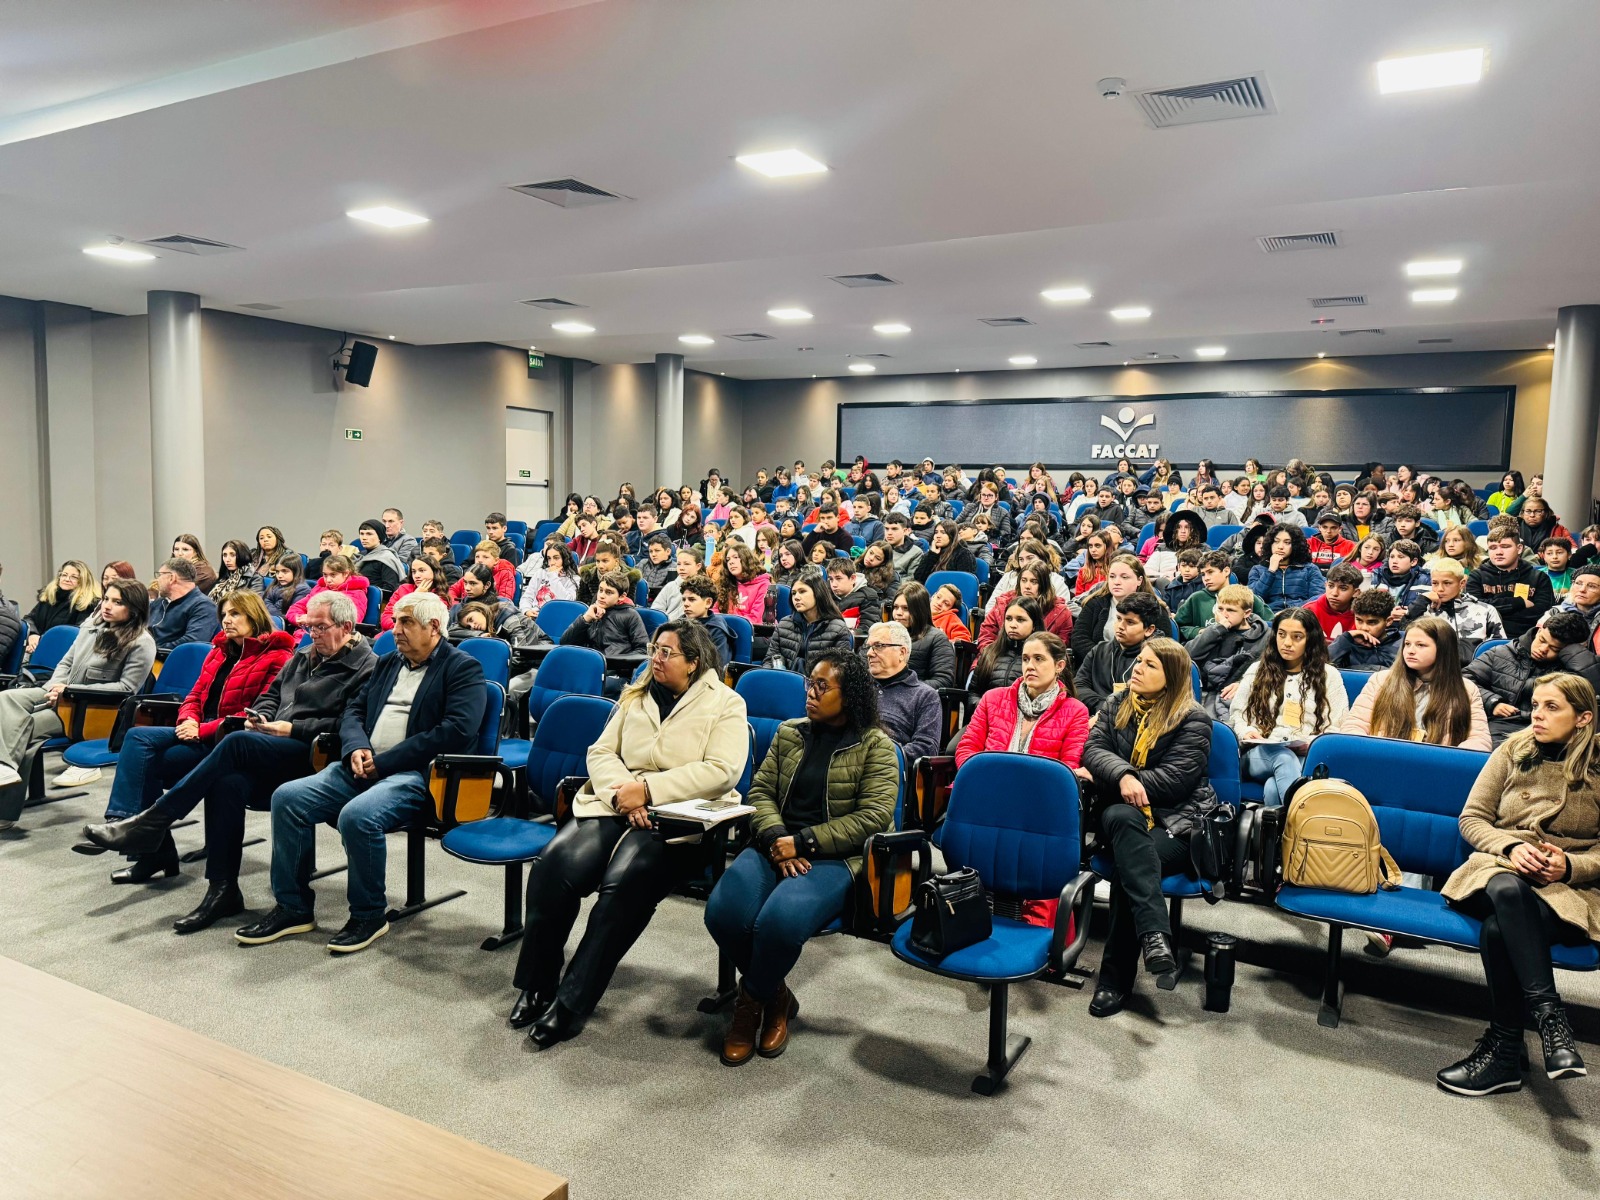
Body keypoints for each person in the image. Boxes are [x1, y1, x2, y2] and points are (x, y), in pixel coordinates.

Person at [82, 590, 380, 932]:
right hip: (269, 742)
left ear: (346, 626)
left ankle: (153, 821)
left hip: (310, 753)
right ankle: (222, 890)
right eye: (308, 626)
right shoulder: (304, 656)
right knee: (226, 781)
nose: (312, 634)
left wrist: (292, 728)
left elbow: (351, 724)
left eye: (320, 627)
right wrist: (262, 718)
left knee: (235, 742)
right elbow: (270, 697)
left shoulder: (366, 666)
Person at [508, 621, 746, 1044]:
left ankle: (571, 1002)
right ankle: (538, 983)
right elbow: (601, 751)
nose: (656, 657)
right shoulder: (636, 693)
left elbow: (722, 770)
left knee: (623, 885)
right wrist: (624, 793)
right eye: (655, 649)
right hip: (616, 801)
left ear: (693, 662)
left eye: (667, 653)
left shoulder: (725, 703)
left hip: (676, 818)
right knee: (554, 867)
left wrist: (649, 792)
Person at [235, 591, 485, 954]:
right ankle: (293, 908)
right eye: (395, 621)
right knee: (287, 798)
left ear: (434, 627)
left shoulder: (462, 668)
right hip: (362, 763)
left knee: (357, 815)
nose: (395, 630)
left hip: (416, 775)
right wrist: (357, 747)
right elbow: (353, 711)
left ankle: (369, 914)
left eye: (406, 623)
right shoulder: (388, 663)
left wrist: (384, 761)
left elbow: (455, 731)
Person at [1435, 673, 1600, 1096]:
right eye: (1535, 704)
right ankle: (1551, 1019)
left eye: (1551, 707)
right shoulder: (1514, 748)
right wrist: (1510, 848)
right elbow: (1472, 818)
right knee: (1507, 891)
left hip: (1568, 892)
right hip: (1495, 872)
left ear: (1583, 718)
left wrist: (1570, 867)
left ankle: (1505, 1053)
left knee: (1498, 929)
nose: (1536, 715)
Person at [82, 592, 296, 872]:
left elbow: (259, 713)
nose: (226, 621)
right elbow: (195, 695)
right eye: (224, 615)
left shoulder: (277, 657)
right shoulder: (219, 651)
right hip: (198, 729)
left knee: (148, 764)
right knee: (137, 738)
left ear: (254, 616)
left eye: (235, 614)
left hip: (230, 738)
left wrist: (201, 728)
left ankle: (150, 849)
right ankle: (121, 821)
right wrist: (188, 720)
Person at [1083, 637, 1218, 1017]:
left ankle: (1114, 981)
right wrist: (1124, 776)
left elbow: (1177, 780)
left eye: (1149, 665)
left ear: (1171, 677)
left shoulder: (1194, 719)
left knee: (1134, 865)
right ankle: (1155, 937)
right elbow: (1092, 751)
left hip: (1177, 821)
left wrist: (1125, 779)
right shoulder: (1116, 703)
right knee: (1125, 825)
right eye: (1138, 662)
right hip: (1120, 814)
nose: (1136, 669)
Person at [0, 580, 155, 830]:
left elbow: (127, 689)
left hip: (91, 711)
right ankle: (5, 766)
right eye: (106, 599)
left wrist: (70, 692)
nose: (107, 606)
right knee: (4, 699)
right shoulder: (91, 625)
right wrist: (55, 687)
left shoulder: (141, 642)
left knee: (23, 727)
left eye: (117, 602)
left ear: (134, 609)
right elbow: (66, 662)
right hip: (58, 695)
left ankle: (4, 813)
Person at [1230, 608, 1348, 806]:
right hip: (1260, 754)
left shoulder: (1329, 676)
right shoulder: (1257, 670)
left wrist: (1313, 742)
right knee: (1284, 759)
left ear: (1310, 639)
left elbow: (1338, 724)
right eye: (1281, 635)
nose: (1286, 643)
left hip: (1305, 754)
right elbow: (1237, 714)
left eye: (1297, 637)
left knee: (1272, 787)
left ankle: (1280, 833)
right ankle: (1303, 824)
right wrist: (1247, 731)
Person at [1343, 616, 1490, 751]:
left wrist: (1452, 759)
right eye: (1407, 644)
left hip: (1438, 767)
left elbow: (1479, 741)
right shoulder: (1381, 680)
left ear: (1443, 650)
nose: (1410, 651)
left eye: (1421, 645)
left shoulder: (1466, 689)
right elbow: (1353, 727)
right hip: (1381, 759)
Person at [1466, 612, 1600, 745]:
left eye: (1554, 648)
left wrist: (1577, 654)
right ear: (1539, 630)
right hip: (1499, 725)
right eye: (1542, 640)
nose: (1542, 649)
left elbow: (1594, 696)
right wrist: (1492, 701)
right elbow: (1464, 680)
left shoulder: (1573, 668)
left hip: (1551, 732)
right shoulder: (1501, 653)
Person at [560, 570, 649, 694]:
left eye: (609, 592)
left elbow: (643, 650)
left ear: (622, 596)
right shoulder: (592, 611)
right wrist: (586, 619)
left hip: (617, 674)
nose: (601, 595)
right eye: (600, 590)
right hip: (591, 668)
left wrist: (614, 663)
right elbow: (565, 643)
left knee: (587, 686)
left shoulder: (630, 615)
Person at [1188, 583, 1271, 718]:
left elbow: (1268, 671)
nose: (1224, 615)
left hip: (1243, 695)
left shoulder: (1265, 637)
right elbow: (1187, 656)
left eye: (1231, 610)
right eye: (1220, 609)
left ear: (1247, 613)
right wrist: (1217, 630)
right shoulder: (1214, 631)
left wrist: (1244, 684)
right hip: (1206, 692)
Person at [1078, 591, 1165, 716]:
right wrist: (1102, 707)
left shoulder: (1158, 659)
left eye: (1130, 622)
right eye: (1118, 619)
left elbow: (1152, 700)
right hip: (1096, 714)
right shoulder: (1099, 650)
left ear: (1149, 630)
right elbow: (1079, 685)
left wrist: (1109, 712)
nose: (1120, 626)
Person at [1072, 555, 1168, 666]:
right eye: (1112, 576)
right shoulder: (1094, 604)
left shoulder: (1156, 609)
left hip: (1139, 669)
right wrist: (1105, 661)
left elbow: (1162, 646)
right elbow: (1079, 638)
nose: (1116, 582)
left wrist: (1124, 664)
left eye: (1124, 577)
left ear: (1139, 580)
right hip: (1097, 666)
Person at [1402, 558, 1505, 660]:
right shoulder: (1424, 609)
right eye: (1435, 583)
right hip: (1432, 671)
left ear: (1462, 583)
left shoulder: (1485, 610)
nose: (1440, 589)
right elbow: (1403, 638)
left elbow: (1500, 651)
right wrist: (1421, 601)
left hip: (1475, 672)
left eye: (1447, 583)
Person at [1469, 528, 1556, 640]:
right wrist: (1519, 602)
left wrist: (1498, 612)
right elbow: (1476, 610)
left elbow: (1542, 613)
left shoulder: (1539, 577)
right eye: (1493, 548)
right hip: (1487, 636)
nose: (1498, 552)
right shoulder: (1476, 576)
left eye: (1505, 547)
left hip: (1528, 637)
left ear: (1519, 548)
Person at [763, 567, 853, 675]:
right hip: (784, 683)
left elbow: (840, 672)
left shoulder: (837, 628)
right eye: (794, 593)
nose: (796, 597)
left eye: (802, 592)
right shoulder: (784, 624)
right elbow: (769, 661)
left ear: (818, 593)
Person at [1175, 551, 1271, 640]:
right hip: (1208, 651)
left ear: (1226, 571)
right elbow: (1179, 626)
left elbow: (1270, 623)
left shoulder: (1246, 596)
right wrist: (1199, 632)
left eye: (1210, 572)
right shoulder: (1196, 598)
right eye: (1203, 574)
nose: (1206, 578)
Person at [968, 596, 1042, 708]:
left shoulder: (1043, 657)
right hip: (986, 718)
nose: (1012, 625)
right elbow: (973, 693)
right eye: (1008, 619)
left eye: (1020, 620)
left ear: (1034, 625)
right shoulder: (990, 652)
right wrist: (987, 708)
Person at [22, 560, 99, 655]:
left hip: (62, 654)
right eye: (64, 575)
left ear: (83, 581)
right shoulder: (49, 597)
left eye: (74, 577)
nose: (67, 579)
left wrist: (41, 641)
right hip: (36, 649)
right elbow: (29, 619)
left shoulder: (88, 604)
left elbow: (74, 633)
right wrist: (33, 634)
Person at [889, 582, 956, 690]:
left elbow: (943, 681)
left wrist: (906, 688)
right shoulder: (881, 634)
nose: (898, 613)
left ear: (920, 610)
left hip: (914, 700)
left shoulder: (937, 639)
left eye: (906, 608)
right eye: (895, 607)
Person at [149, 558, 223, 652]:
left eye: (160, 575)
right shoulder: (158, 603)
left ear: (172, 578)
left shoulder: (204, 606)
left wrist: (154, 650)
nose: (157, 580)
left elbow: (192, 642)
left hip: (172, 662)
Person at [1248, 526, 1325, 613]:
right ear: (1270, 544)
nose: (1280, 547)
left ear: (1295, 545)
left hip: (1299, 616)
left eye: (1287, 542)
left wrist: (1294, 612)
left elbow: (1317, 599)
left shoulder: (1309, 569)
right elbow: (1253, 600)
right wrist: (1270, 571)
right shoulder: (1257, 570)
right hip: (1269, 616)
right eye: (1276, 542)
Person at [1328, 588, 1403, 671]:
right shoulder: (1346, 643)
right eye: (1359, 620)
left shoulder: (1402, 645)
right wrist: (1345, 638)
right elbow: (1325, 667)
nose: (1363, 628)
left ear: (1388, 621)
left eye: (1372, 622)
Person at [285, 554, 371, 627]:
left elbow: (349, 621)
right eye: (325, 575)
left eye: (333, 575)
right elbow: (296, 608)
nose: (328, 580)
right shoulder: (320, 588)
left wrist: (311, 620)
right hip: (305, 632)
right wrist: (299, 619)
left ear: (346, 573)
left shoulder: (357, 593)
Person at [680, 574, 733, 668]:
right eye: (684, 599)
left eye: (692, 599)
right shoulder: (678, 624)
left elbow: (718, 666)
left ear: (708, 602)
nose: (686, 604)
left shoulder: (716, 630)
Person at [519, 540, 581, 616]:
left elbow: (567, 602)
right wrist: (526, 610)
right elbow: (527, 597)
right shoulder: (541, 573)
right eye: (549, 558)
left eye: (556, 558)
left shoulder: (574, 579)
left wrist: (553, 576)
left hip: (557, 616)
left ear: (565, 559)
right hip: (535, 614)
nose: (551, 562)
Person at [715, 540, 771, 624]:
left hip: (753, 632)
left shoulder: (764, 584)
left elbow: (755, 618)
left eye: (735, 557)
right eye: (728, 560)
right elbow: (714, 611)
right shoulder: (726, 583)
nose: (731, 562)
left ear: (746, 559)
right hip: (725, 628)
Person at [575, 538, 641, 606]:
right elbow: (581, 604)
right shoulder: (587, 576)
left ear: (616, 561)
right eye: (597, 561)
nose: (600, 566)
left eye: (605, 561)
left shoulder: (629, 578)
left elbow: (627, 607)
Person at [912, 519, 978, 585]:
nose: (938, 536)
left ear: (952, 536)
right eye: (936, 532)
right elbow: (918, 579)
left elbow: (965, 582)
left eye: (943, 533)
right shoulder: (930, 554)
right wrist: (932, 555)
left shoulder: (964, 554)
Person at [449, 541, 516, 603]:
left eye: (485, 557)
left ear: (496, 560)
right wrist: (456, 606)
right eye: (477, 557)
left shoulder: (505, 574)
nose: (480, 560)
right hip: (465, 609)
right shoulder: (472, 572)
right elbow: (452, 591)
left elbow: (504, 600)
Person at [652, 547, 704, 622]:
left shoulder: (704, 588)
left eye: (686, 564)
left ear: (698, 566)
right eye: (679, 564)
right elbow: (656, 611)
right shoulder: (670, 586)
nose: (681, 568)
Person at [261, 554, 311, 624]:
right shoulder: (275, 585)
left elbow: (290, 615)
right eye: (277, 572)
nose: (280, 576)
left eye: (285, 571)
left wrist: (265, 605)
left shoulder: (302, 590)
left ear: (296, 572)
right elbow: (263, 599)